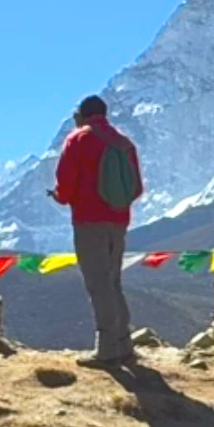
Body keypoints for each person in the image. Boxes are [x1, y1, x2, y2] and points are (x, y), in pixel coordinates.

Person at [51, 95, 144, 369]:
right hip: (119, 220)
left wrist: (60, 197)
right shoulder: (124, 142)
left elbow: (66, 185)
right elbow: (136, 188)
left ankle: (107, 352)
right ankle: (124, 345)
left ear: (82, 114)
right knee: (113, 280)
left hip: (88, 219)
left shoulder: (78, 139)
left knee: (98, 283)